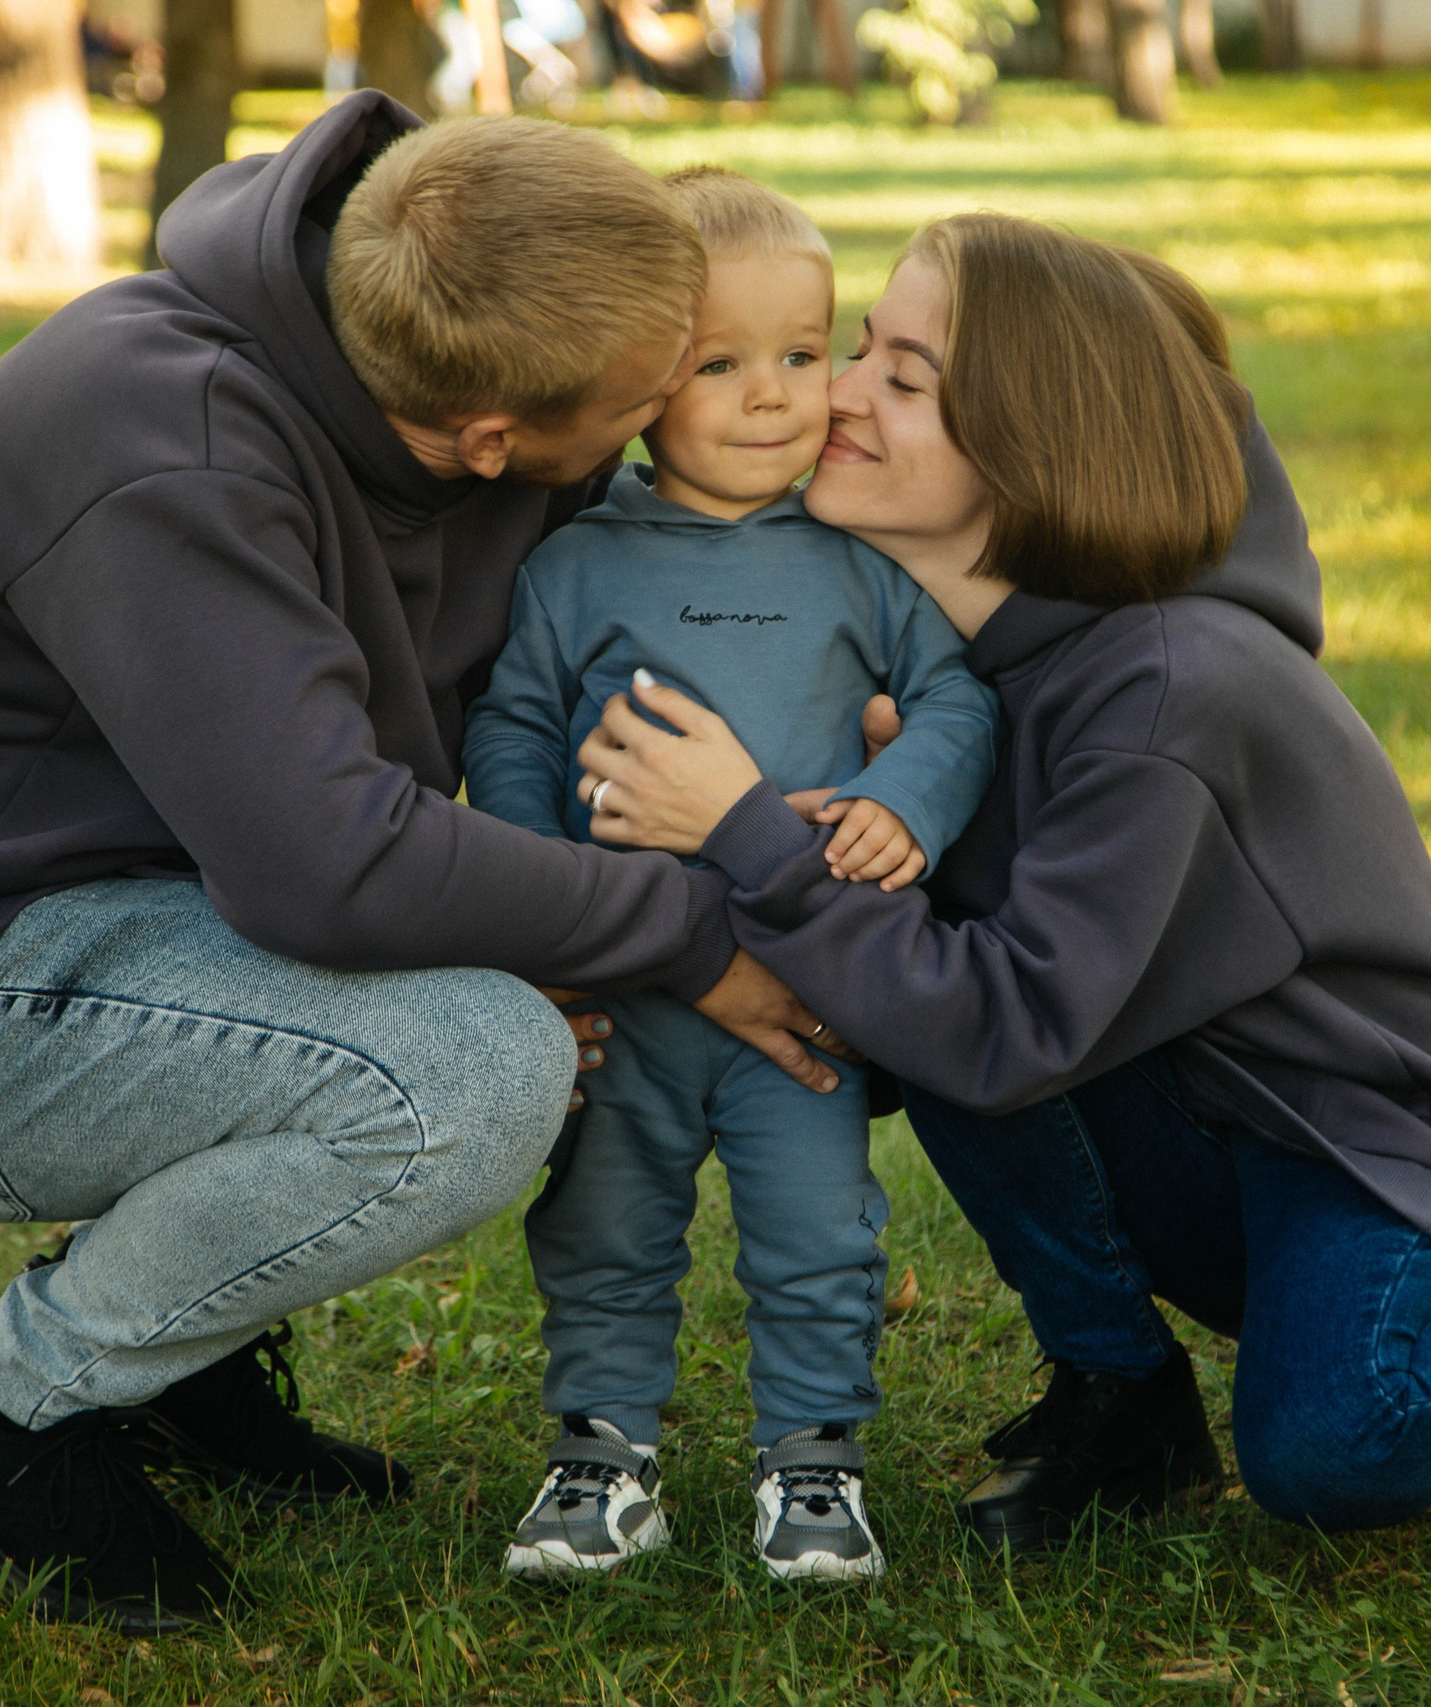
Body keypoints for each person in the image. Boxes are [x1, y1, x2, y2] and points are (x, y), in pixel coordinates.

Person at [0, 103, 843, 1633]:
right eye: (653, 396)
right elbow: (330, 870)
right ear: (493, 444)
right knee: (468, 1065)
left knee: (472, 987)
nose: (671, 420)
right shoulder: (151, 435)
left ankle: (179, 1366)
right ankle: (8, 1418)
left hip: (176, 907)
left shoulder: (472, 325)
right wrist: (688, 935)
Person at [570, 212, 1431, 1552]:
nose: (834, 391)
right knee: (933, 972)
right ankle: (1125, 1403)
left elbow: (1000, 1027)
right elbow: (908, 1029)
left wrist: (752, 834)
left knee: (1336, 1450)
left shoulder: (1168, 694)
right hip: (1177, 1108)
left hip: (1359, 1146)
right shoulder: (941, 667)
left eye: (903, 379)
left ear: (1033, 454)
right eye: (862, 350)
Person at [463, 168, 998, 1583]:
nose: (775, 397)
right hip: (623, 981)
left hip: (796, 986)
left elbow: (956, 703)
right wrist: (534, 907)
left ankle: (815, 1466)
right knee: (598, 1217)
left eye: (805, 356)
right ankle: (600, 1455)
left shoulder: (857, 559)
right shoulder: (574, 564)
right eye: (719, 364)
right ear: (640, 385)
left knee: (819, 1229)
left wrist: (904, 802)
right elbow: (513, 725)